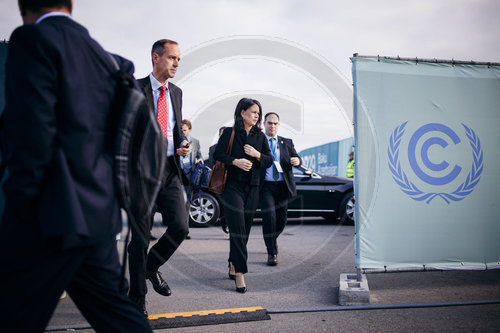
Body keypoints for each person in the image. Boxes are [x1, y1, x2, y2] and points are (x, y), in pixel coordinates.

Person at [0, 1, 152, 331]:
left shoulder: (32, 40)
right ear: (71, 4)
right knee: (118, 316)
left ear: (22, 6)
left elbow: (31, 137)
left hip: (49, 217)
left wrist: (17, 212)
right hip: (97, 215)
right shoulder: (103, 57)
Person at [128, 39, 190, 314]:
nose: (177, 63)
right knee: (139, 239)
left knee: (180, 226)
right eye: (172, 58)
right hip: (141, 173)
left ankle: (151, 267)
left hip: (169, 170)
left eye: (179, 59)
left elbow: (174, 129)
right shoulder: (134, 88)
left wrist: (182, 144)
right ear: (156, 57)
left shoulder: (176, 92)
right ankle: (136, 299)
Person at [214, 98, 273, 293]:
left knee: (245, 230)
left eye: (258, 113)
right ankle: (240, 273)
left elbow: (269, 161)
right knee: (238, 228)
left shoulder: (261, 137)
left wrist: (257, 155)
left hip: (253, 188)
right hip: (233, 187)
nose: (256, 116)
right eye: (253, 112)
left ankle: (233, 261)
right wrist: (235, 162)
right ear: (242, 112)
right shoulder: (230, 133)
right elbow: (217, 154)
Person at [259, 112, 301, 266]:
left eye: (275, 123)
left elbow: (297, 159)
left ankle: (272, 238)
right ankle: (272, 253)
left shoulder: (287, 142)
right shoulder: (259, 141)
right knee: (269, 218)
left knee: (281, 220)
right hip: (266, 187)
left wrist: (297, 160)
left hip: (282, 186)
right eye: (269, 123)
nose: (272, 126)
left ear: (279, 125)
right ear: (264, 124)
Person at [180, 119, 202, 239]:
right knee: (179, 202)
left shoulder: (196, 142)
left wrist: (200, 160)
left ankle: (185, 231)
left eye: (185, 130)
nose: (183, 133)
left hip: (190, 175)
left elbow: (199, 155)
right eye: (181, 130)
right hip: (178, 174)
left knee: (187, 203)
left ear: (189, 130)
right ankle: (177, 228)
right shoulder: (176, 141)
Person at [207, 126, 228, 234]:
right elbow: (211, 164)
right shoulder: (213, 148)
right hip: (219, 179)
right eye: (222, 134)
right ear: (219, 135)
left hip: (230, 179)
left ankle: (227, 222)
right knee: (223, 203)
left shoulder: (232, 147)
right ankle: (224, 220)